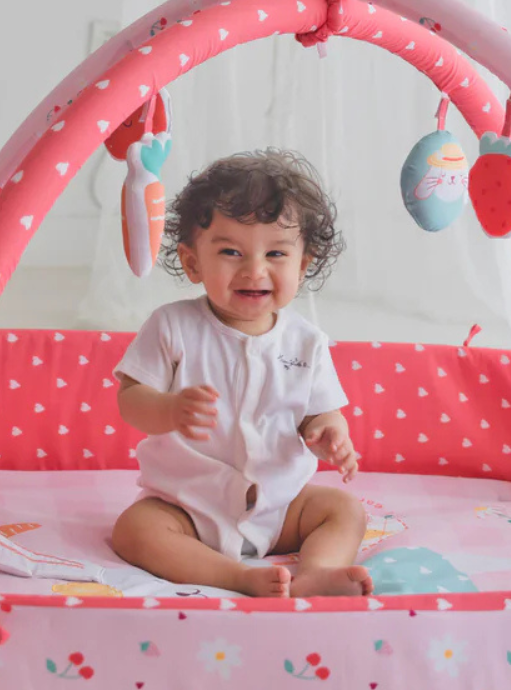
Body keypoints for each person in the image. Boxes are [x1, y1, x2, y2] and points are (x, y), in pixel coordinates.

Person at [110, 149, 373, 598]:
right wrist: (169, 410)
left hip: (280, 505)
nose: (254, 269)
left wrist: (329, 432)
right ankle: (236, 578)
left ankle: (315, 572)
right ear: (193, 263)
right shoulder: (173, 326)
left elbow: (319, 414)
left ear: (302, 265)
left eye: (275, 253)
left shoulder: (307, 342)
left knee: (345, 510)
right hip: (186, 505)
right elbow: (130, 399)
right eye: (230, 251)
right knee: (134, 530)